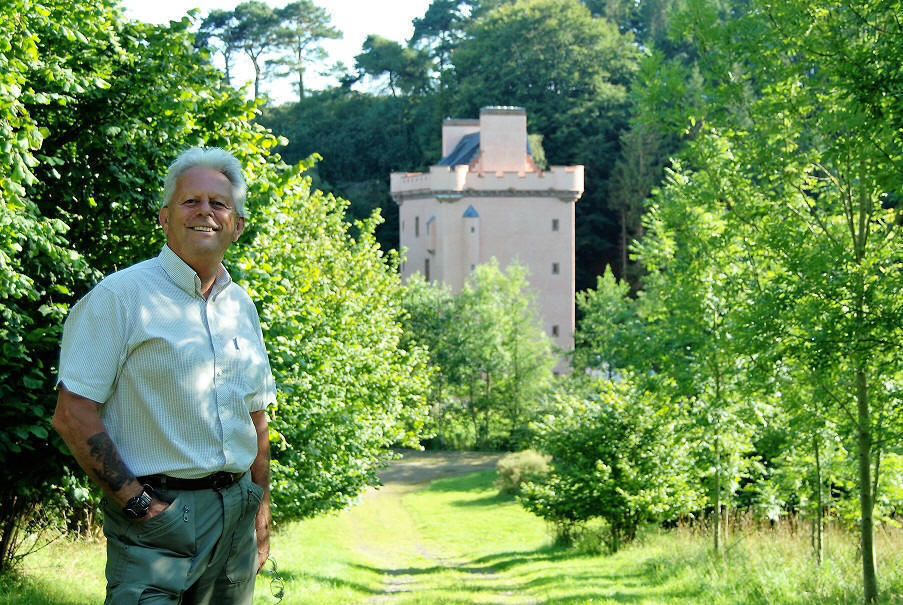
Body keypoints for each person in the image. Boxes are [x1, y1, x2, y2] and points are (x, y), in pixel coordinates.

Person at [52, 147, 276, 604]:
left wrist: (261, 508)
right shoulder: (120, 297)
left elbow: (256, 416)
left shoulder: (241, 306)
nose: (205, 212)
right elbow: (72, 413)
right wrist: (139, 504)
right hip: (157, 518)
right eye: (190, 201)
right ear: (164, 218)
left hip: (236, 516)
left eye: (219, 203)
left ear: (237, 225)